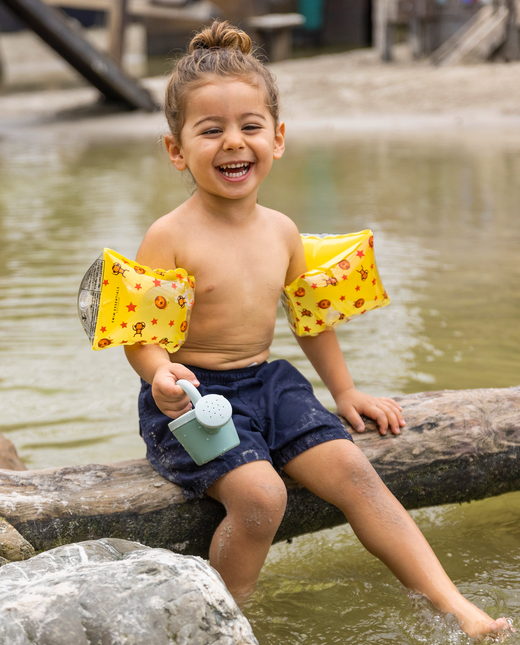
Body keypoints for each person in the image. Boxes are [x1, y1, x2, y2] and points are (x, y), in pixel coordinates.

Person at [124, 20, 511, 640]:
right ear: (176, 149)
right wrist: (159, 374)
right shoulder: (169, 235)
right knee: (261, 499)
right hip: (196, 402)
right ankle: (221, 623)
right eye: (211, 130)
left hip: (271, 384)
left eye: (250, 127)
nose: (234, 143)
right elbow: (141, 332)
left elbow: (312, 319)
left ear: (277, 139)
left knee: (358, 475)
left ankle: (455, 608)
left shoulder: (280, 230)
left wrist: (347, 392)